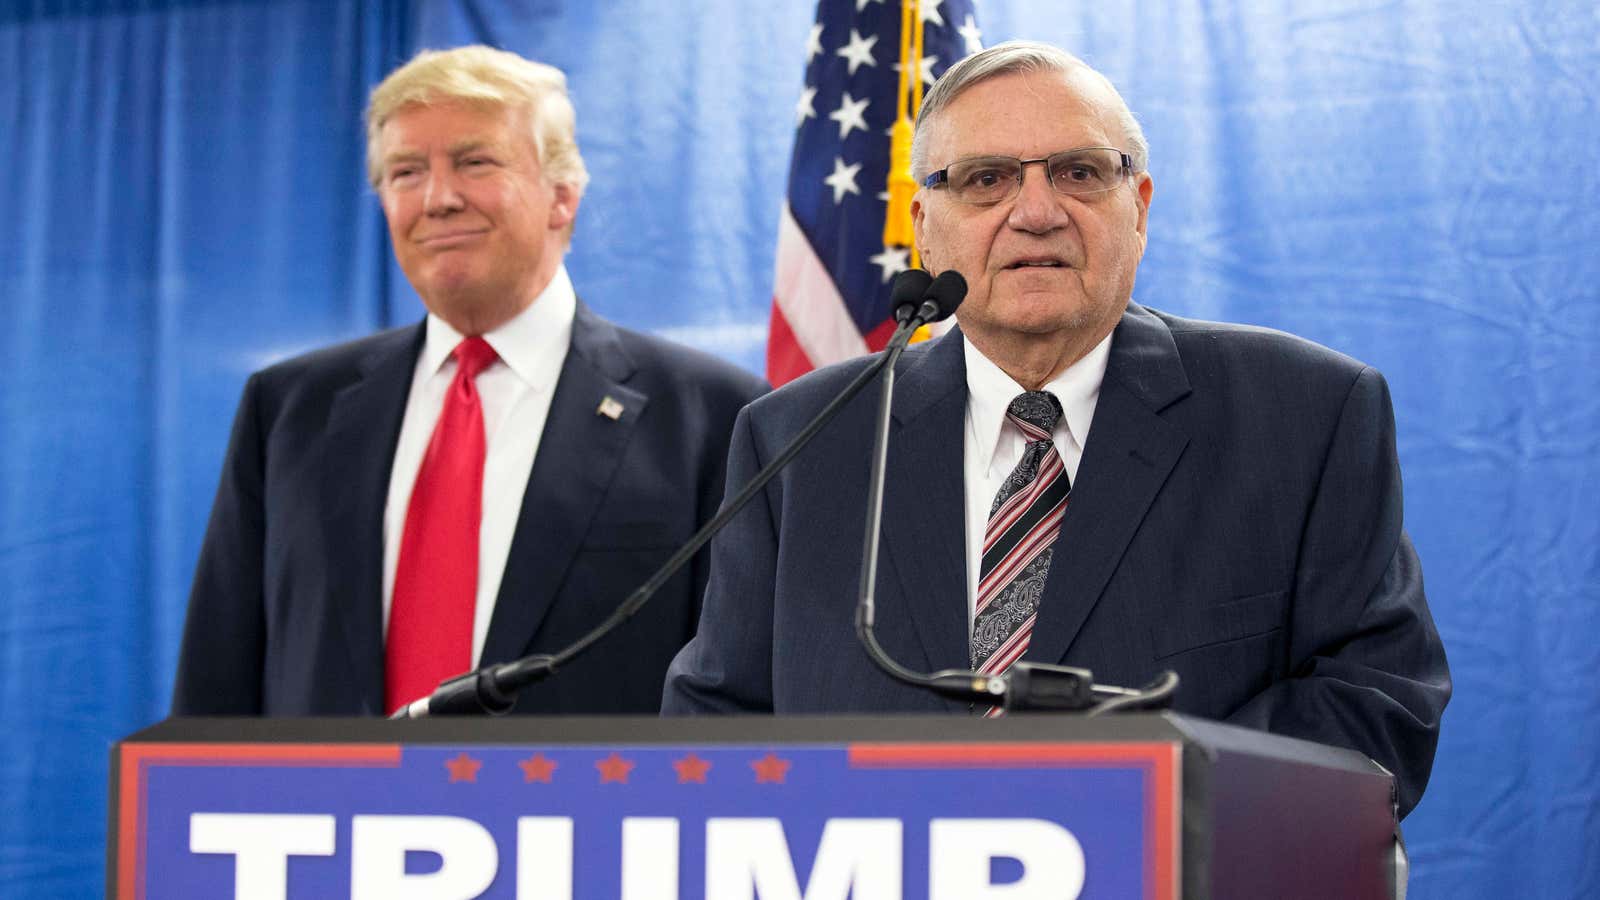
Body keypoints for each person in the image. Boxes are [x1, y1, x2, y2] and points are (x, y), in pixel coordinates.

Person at [663, 41, 1450, 818]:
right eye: (985, 179)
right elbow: (717, 729)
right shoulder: (801, 440)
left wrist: (1102, 817)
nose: (1035, 213)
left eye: (1078, 172)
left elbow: (1377, 705)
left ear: (1137, 207)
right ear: (924, 225)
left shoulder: (1303, 416)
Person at [173, 45, 766, 717]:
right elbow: (216, 687)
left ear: (563, 195)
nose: (438, 199)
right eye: (405, 172)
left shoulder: (714, 417)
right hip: (328, 817)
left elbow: (737, 694)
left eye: (475, 162)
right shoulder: (287, 411)